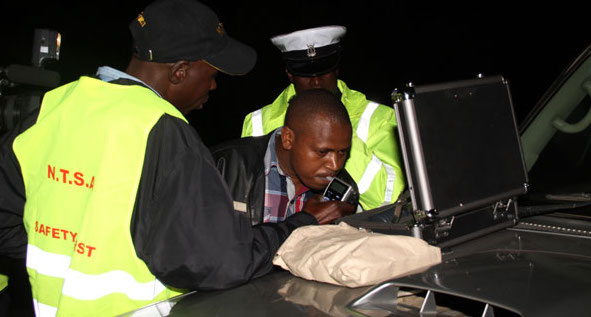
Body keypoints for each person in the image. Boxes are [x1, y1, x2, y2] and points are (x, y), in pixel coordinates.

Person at [0, 1, 352, 315]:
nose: (212, 87)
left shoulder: (55, 107)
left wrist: (67, 246)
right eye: (212, 75)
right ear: (181, 71)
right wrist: (300, 223)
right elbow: (220, 261)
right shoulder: (163, 129)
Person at [241, 25, 406, 211]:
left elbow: (388, 202)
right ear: (289, 73)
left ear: (337, 68)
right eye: (305, 72)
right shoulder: (257, 121)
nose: (316, 81)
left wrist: (336, 135)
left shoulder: (379, 118)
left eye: (324, 69)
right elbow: (248, 200)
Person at [211, 89, 358, 225]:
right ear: (288, 139)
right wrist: (306, 221)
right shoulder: (223, 166)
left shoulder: (345, 191)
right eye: (322, 152)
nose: (335, 165)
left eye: (342, 152)